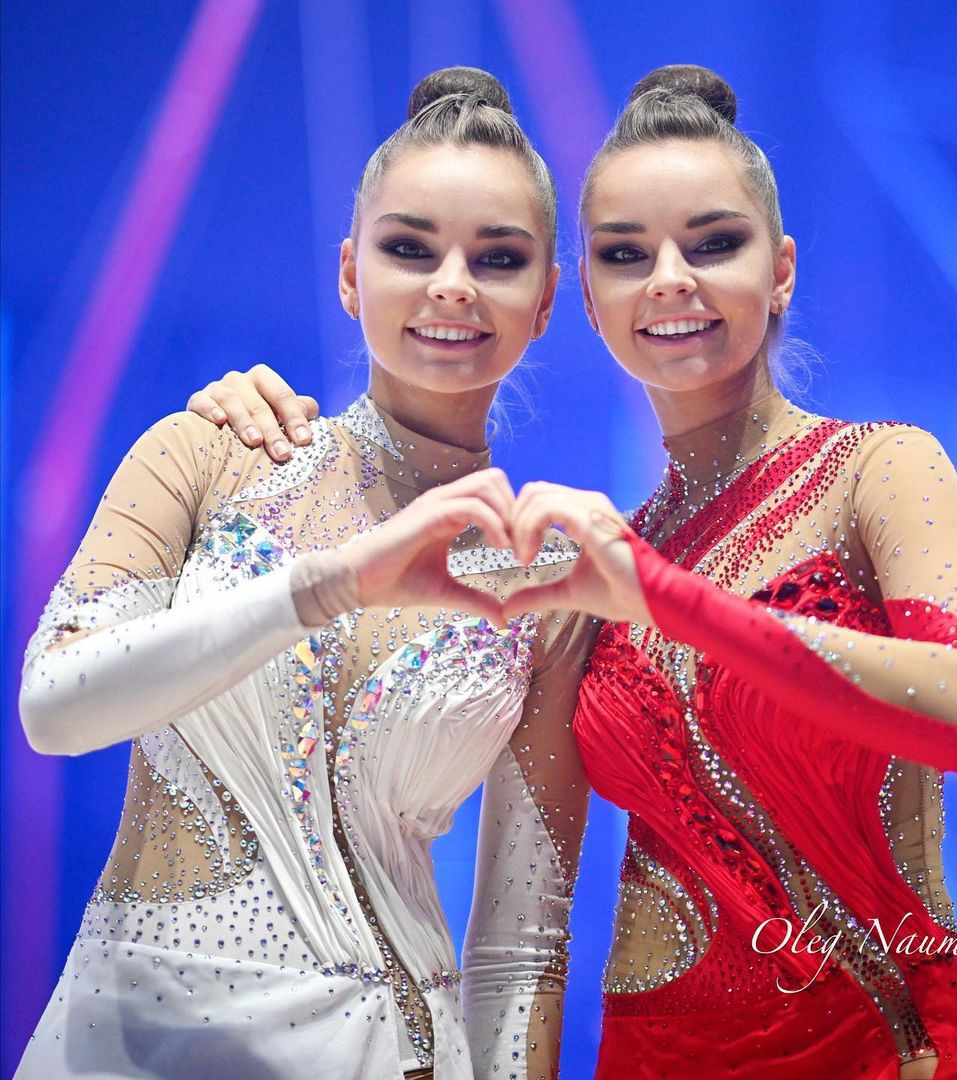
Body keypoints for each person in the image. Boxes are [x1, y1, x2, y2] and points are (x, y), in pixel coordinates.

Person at [198, 66, 957, 1079]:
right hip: (650, 1056)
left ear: (782, 270)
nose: (669, 279)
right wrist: (254, 437)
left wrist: (662, 597)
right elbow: (529, 930)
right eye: (626, 253)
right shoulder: (597, 571)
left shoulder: (876, 471)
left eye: (713, 244)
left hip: (880, 1047)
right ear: (585, 296)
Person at [18, 68, 593, 1080]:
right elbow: (54, 711)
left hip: (401, 1052)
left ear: (546, 299)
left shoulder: (545, 580)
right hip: (132, 1043)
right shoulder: (211, 454)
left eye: (498, 258)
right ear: (349, 272)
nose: (452, 284)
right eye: (409, 248)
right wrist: (326, 585)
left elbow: (521, 944)